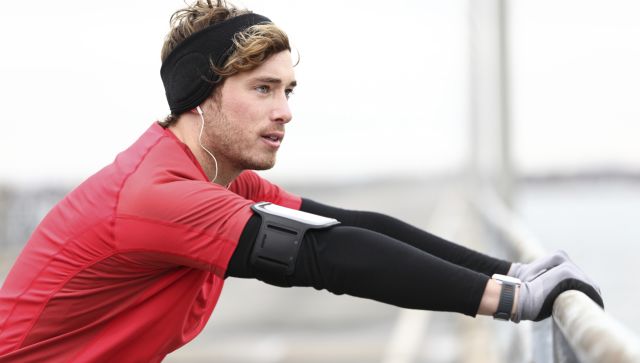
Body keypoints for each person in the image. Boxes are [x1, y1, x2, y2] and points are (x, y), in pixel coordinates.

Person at [0, 0, 603, 361]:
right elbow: (322, 257)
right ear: (199, 98)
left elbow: (345, 226)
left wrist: (509, 272)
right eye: (262, 88)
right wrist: (510, 302)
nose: (285, 109)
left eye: (288, 90)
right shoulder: (157, 194)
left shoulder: (217, 180)